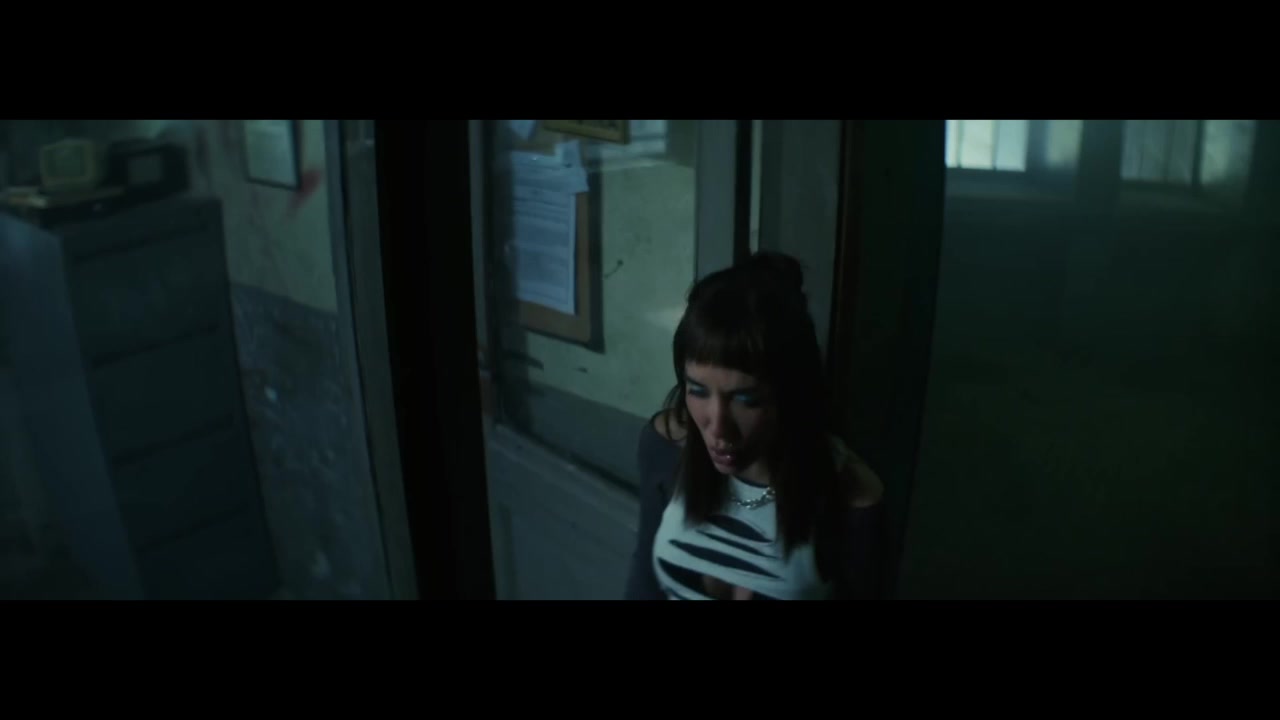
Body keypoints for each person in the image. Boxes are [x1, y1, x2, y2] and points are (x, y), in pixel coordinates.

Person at [624, 251, 886, 600]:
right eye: (698, 391)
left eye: (746, 399)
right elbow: (644, 586)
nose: (718, 427)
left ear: (791, 392)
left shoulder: (848, 493)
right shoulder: (667, 447)